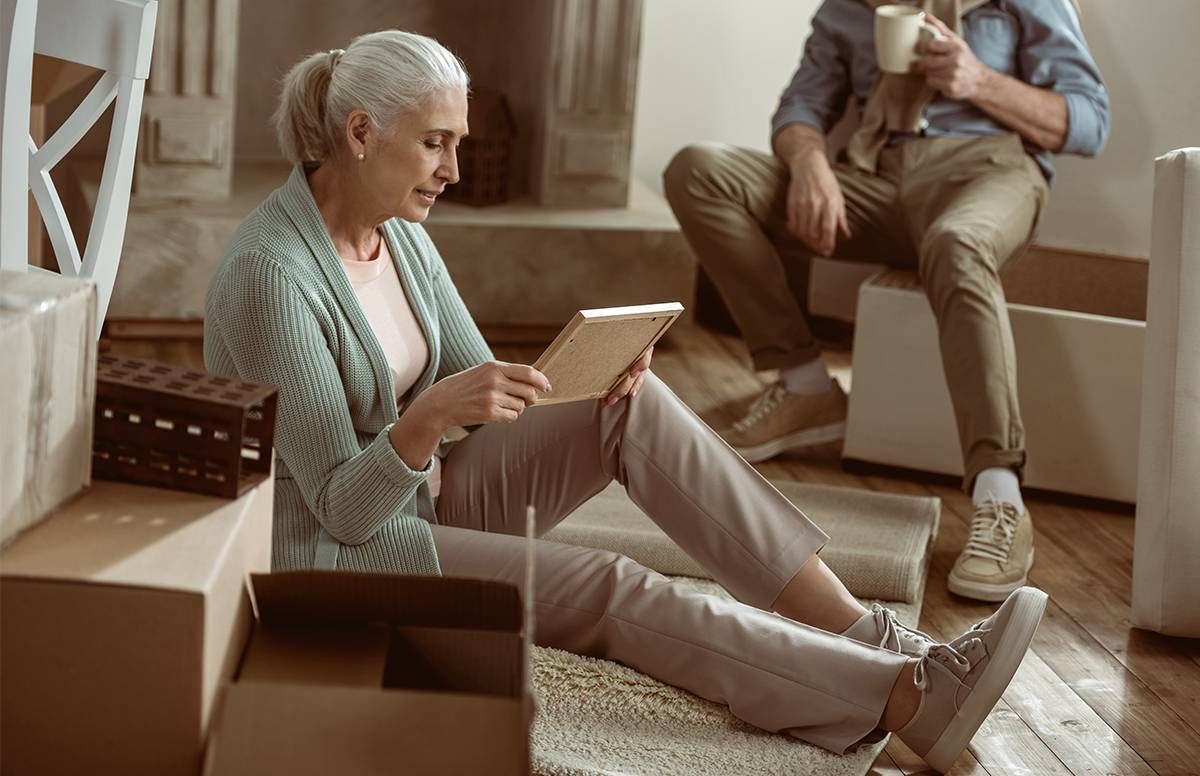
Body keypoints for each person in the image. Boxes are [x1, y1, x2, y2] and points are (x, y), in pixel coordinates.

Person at [204, 29, 1048, 772]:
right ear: (360, 133)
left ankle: (866, 633)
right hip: (334, 557)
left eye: (457, 143)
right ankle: (903, 700)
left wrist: (586, 383)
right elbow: (342, 513)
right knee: (615, 583)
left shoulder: (402, 237)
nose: (455, 170)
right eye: (435, 143)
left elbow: (484, 381)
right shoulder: (273, 274)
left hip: (424, 502)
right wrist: (427, 419)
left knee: (629, 407)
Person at [663, 0, 1108, 602]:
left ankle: (1000, 495)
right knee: (698, 170)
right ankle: (807, 387)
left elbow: (1087, 121)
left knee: (957, 243)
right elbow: (800, 105)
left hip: (988, 170)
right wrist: (809, 160)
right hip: (872, 175)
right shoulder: (847, 8)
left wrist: (979, 80)